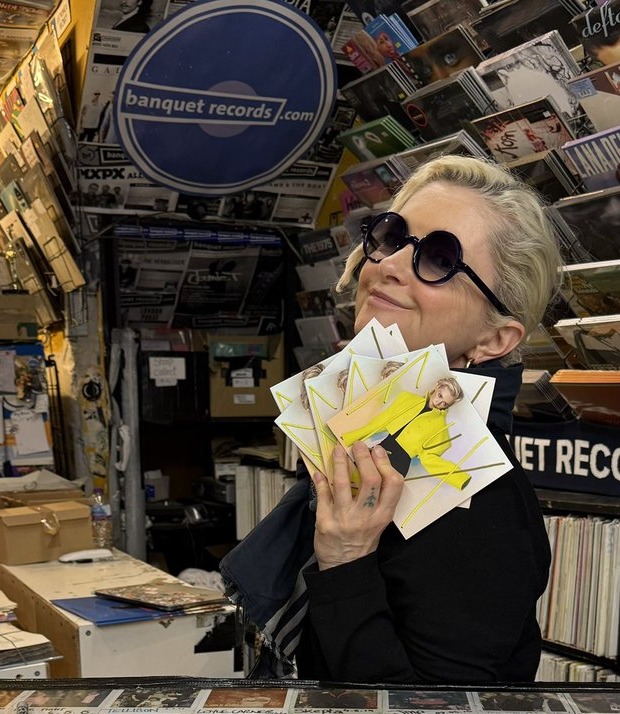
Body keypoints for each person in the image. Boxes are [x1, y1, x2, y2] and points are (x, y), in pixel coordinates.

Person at [220, 155, 562, 684]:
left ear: (494, 340)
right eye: (393, 236)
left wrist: (347, 558)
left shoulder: (480, 499)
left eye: (440, 258)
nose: (390, 264)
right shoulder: (365, 431)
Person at [341, 375, 466, 478]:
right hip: (382, 448)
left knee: (377, 493)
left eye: (445, 404)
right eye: (440, 395)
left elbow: (430, 459)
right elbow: (380, 422)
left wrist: (459, 478)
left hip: (400, 463)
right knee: (353, 477)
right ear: (437, 386)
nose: (438, 403)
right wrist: (349, 437)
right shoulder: (408, 399)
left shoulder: (441, 427)